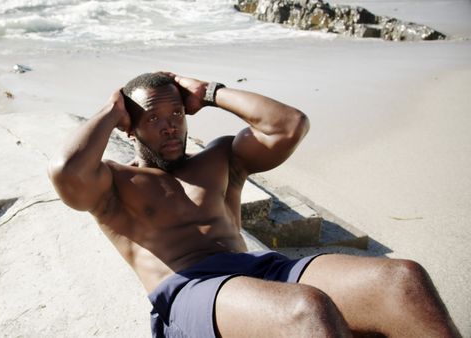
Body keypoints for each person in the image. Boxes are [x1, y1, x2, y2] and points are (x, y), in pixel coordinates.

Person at [48, 72, 460, 337]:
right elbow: (66, 170)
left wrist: (211, 92)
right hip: (190, 291)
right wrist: (111, 107)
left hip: (263, 270)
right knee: (306, 309)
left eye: (177, 112)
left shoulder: (221, 157)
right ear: (130, 126)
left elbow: (290, 124)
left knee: (403, 280)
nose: (170, 124)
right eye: (153, 118)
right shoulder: (114, 183)